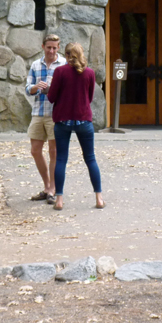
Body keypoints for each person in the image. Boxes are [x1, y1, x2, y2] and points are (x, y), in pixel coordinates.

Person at [45, 42, 104, 211]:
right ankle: (99, 198)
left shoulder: (60, 72)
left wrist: (47, 90)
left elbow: (51, 97)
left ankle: (59, 200)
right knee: (90, 158)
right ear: (81, 54)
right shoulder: (90, 73)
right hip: (83, 121)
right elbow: (90, 97)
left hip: (63, 121)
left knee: (61, 159)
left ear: (67, 55)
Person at [24, 34, 65, 204]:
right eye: (49, 47)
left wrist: (55, 87)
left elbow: (68, 90)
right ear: (43, 46)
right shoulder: (35, 64)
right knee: (35, 150)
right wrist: (35, 87)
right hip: (38, 112)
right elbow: (27, 89)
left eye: (55, 47)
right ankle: (46, 185)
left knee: (53, 152)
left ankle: (52, 189)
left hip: (56, 114)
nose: (51, 50)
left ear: (58, 47)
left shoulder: (63, 64)